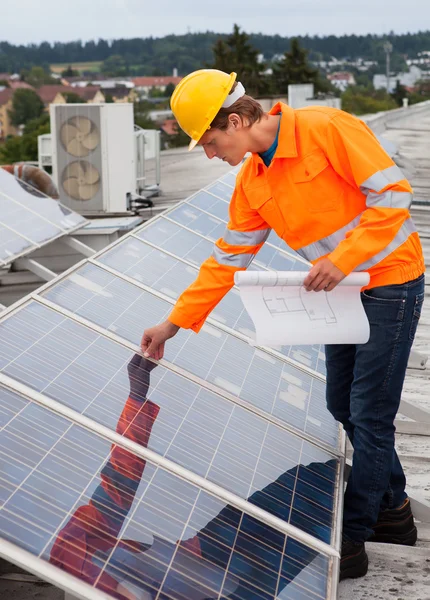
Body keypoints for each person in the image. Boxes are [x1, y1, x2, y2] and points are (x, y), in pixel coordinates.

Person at [141, 69, 425, 580]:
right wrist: (174, 322)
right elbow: (228, 259)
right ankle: (396, 512)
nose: (209, 154)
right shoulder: (252, 181)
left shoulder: (326, 128)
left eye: (209, 141)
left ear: (235, 119)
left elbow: (394, 198)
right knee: (343, 403)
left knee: (370, 411)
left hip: (390, 281)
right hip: (342, 291)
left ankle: (353, 540)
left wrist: (344, 258)